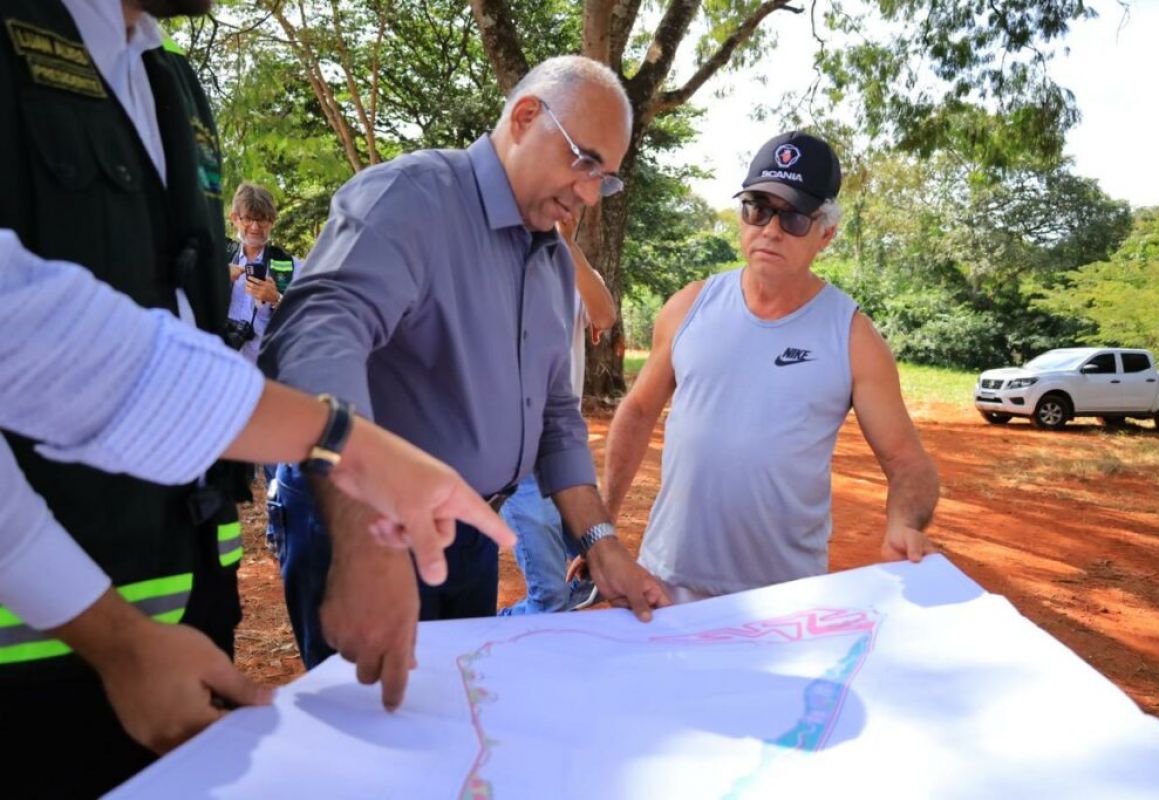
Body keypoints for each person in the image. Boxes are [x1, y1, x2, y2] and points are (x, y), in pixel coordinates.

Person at [0, 0, 475, 794]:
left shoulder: (167, 77)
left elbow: (169, 332)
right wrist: (112, 636)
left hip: (191, 610)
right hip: (42, 651)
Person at [0, 230, 515, 759]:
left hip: (189, 621)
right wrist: (355, 451)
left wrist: (351, 446)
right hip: (46, 660)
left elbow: (116, 356)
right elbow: (44, 335)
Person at [260, 55, 670, 678]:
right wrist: (360, 528)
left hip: (471, 533)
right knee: (373, 738)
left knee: (452, 716)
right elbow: (314, 340)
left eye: (605, 178)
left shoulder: (552, 261)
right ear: (527, 116)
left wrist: (600, 544)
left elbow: (556, 413)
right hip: (364, 527)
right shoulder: (412, 200)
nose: (588, 192)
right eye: (583, 161)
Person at [599, 131, 940, 604]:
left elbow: (909, 464)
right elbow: (636, 413)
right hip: (667, 583)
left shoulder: (852, 336)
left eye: (795, 217)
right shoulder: (690, 306)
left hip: (785, 600)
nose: (771, 230)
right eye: (757, 208)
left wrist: (904, 522)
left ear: (826, 232)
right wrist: (603, 526)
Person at [499, 212, 616, 616]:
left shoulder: (577, 272)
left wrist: (567, 244)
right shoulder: (497, 267)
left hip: (564, 450)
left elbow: (604, 316)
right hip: (514, 447)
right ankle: (480, 636)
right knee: (549, 598)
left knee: (597, 572)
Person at [223, 181, 299, 363]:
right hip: (221, 364)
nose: (255, 227)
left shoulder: (290, 265)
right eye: (248, 218)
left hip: (264, 370)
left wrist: (276, 299)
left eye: (262, 219)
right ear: (234, 218)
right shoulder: (218, 257)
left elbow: (305, 319)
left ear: (272, 221)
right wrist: (217, 275)